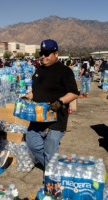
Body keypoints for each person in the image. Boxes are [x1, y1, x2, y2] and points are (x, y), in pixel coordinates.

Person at [23, 39, 79, 169]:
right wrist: (26, 97)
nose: (43, 56)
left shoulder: (65, 71)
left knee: (50, 151)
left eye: (47, 53)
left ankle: (51, 180)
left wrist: (59, 102)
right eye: (42, 53)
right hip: (37, 117)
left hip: (56, 118)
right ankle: (53, 168)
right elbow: (36, 90)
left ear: (56, 54)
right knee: (32, 144)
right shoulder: (39, 70)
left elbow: (74, 93)